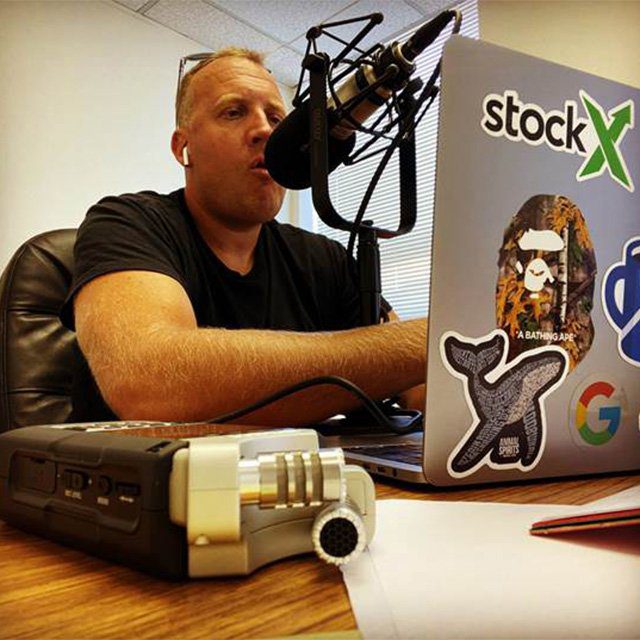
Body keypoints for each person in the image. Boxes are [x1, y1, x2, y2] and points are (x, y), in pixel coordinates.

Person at [61, 47, 427, 427]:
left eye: (276, 118)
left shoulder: (325, 259)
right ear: (183, 147)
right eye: (233, 112)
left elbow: (418, 388)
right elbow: (149, 383)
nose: (265, 131)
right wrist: (419, 342)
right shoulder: (127, 223)